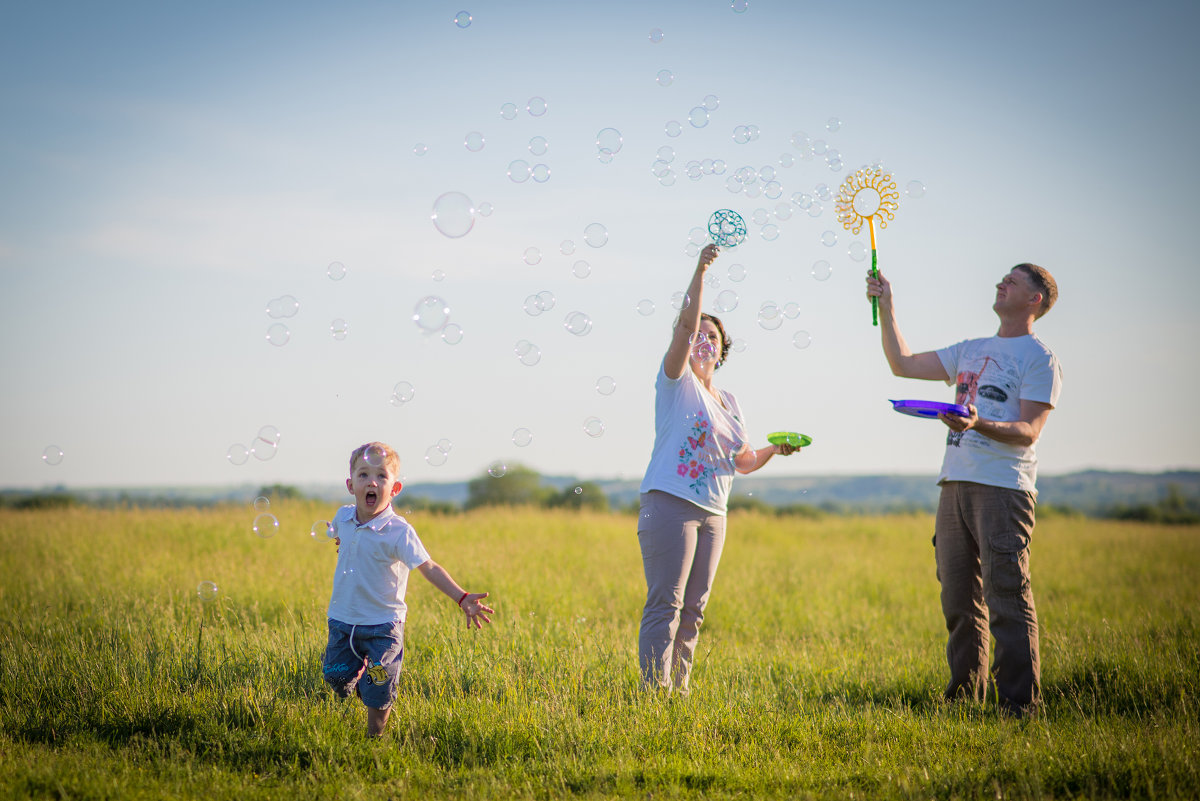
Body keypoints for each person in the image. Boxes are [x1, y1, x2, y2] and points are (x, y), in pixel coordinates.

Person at [865, 263, 1062, 716]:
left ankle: (1020, 705)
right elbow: (902, 365)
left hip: (1003, 488)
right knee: (958, 596)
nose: (1000, 283)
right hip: (954, 482)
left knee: (1006, 593)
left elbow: (1029, 429)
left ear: (1035, 299)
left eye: (1012, 281)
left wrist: (978, 422)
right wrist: (887, 306)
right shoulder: (970, 349)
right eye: (1002, 278)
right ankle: (963, 697)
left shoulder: (1039, 358)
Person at [637, 243, 799, 695]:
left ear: (723, 351)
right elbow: (687, 324)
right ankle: (654, 697)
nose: (703, 340)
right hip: (670, 503)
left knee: (694, 609)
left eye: (714, 337)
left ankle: (680, 692)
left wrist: (774, 449)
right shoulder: (675, 382)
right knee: (665, 604)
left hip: (714, 513)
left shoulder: (729, 402)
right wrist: (701, 270)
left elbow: (743, 461)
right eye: (697, 335)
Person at [323, 441, 494, 737]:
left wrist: (462, 597)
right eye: (363, 475)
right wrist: (339, 540)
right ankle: (361, 680)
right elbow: (339, 535)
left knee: (379, 688)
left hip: (383, 625)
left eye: (381, 476)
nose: (372, 482)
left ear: (395, 488)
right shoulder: (343, 517)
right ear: (351, 485)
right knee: (335, 677)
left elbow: (429, 567)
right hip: (342, 619)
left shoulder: (399, 531)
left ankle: (373, 738)